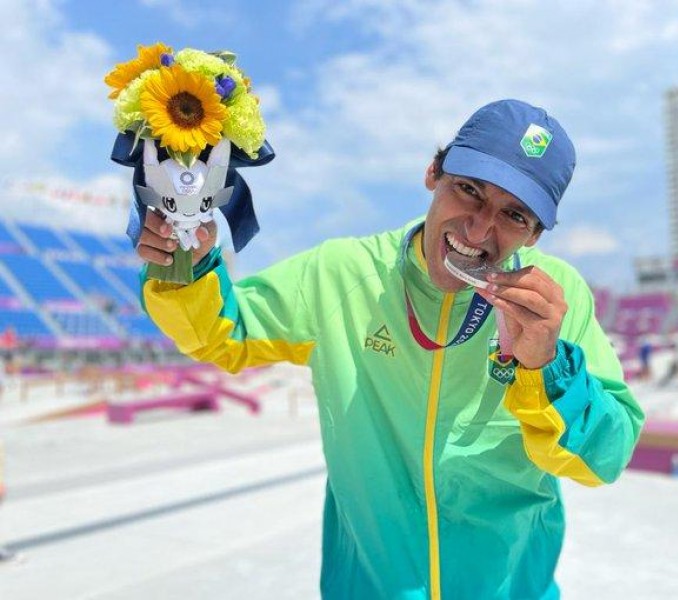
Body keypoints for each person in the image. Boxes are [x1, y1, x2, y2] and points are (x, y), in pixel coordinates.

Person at [135, 99, 644, 599]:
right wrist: (188, 266)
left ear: (534, 233)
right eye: (468, 190)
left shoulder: (559, 298)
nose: (479, 229)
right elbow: (227, 334)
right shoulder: (340, 274)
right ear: (433, 173)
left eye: (514, 215)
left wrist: (547, 366)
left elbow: (606, 457)